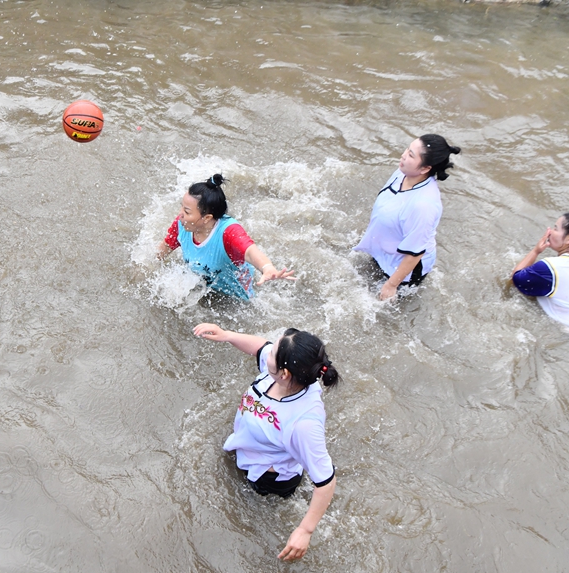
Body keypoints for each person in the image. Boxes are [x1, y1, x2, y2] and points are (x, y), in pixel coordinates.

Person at [193, 322, 339, 561]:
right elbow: (259, 346)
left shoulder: (304, 423)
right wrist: (227, 335)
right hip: (247, 449)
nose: (267, 349)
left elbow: (326, 481)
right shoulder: (281, 374)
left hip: (268, 478)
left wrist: (305, 530)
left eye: (273, 351)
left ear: (284, 374)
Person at [353, 134, 461, 300]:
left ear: (425, 169)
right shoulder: (402, 173)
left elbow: (415, 253)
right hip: (383, 252)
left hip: (402, 271)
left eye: (411, 155)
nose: (403, 155)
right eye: (407, 149)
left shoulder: (424, 205)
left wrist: (391, 285)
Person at [156, 174, 295, 300]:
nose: (180, 214)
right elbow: (161, 252)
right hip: (205, 287)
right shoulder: (182, 224)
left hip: (236, 297)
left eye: (187, 211)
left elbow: (250, 252)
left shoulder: (228, 232)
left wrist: (267, 268)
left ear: (207, 218)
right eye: (182, 207)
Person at [510, 213, 569, 325]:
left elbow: (516, 280)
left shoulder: (551, 268)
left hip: (559, 328)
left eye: (555, 228)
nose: (549, 231)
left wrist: (535, 251)